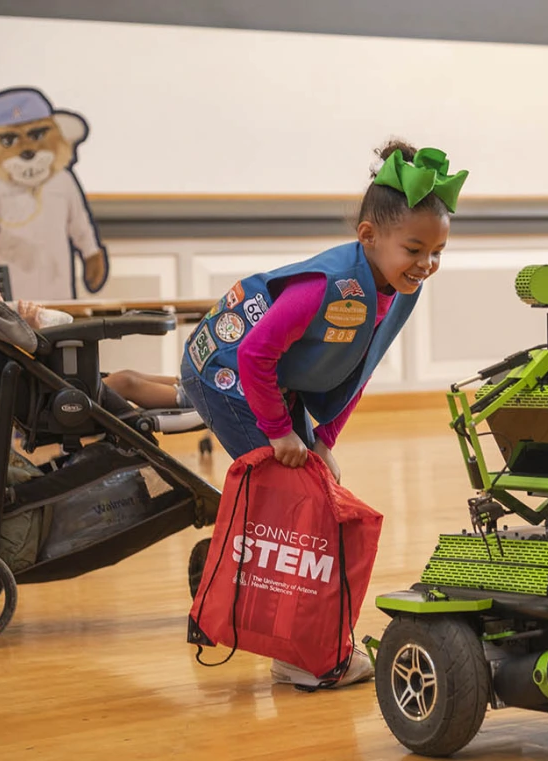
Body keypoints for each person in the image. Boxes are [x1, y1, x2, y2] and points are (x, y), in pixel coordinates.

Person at [180, 139, 467, 689]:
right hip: (228, 373)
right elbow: (253, 355)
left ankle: (301, 645)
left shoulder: (397, 287)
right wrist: (280, 433)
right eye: (415, 249)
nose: (427, 264)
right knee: (301, 506)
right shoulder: (330, 285)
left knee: (318, 488)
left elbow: (358, 368)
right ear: (368, 237)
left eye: (437, 252)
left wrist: (324, 439)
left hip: (271, 378)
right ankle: (299, 657)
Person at [0, 251, 187, 410]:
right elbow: (26, 360)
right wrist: (31, 329)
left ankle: (185, 383)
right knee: (126, 381)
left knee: (127, 374)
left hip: (52, 387)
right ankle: (185, 399)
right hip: (48, 398)